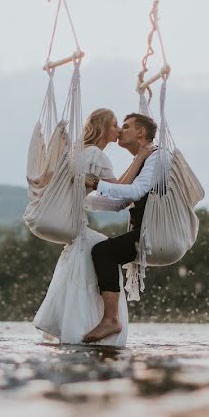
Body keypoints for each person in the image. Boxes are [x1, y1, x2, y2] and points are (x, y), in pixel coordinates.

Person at [32, 108, 154, 346]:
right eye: (115, 125)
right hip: (81, 229)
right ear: (104, 128)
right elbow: (118, 189)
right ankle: (102, 324)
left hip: (77, 229)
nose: (118, 130)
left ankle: (77, 332)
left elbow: (98, 199)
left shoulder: (81, 154)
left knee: (80, 279)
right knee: (99, 257)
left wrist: (120, 202)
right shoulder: (97, 155)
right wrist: (139, 159)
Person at [81, 113, 161, 343]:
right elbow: (120, 202)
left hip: (155, 233)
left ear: (140, 133)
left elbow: (134, 192)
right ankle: (108, 318)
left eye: (125, 127)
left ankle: (111, 319)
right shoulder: (143, 160)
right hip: (144, 232)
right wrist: (81, 199)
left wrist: (95, 183)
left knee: (102, 251)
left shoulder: (156, 156)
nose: (120, 131)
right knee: (103, 251)